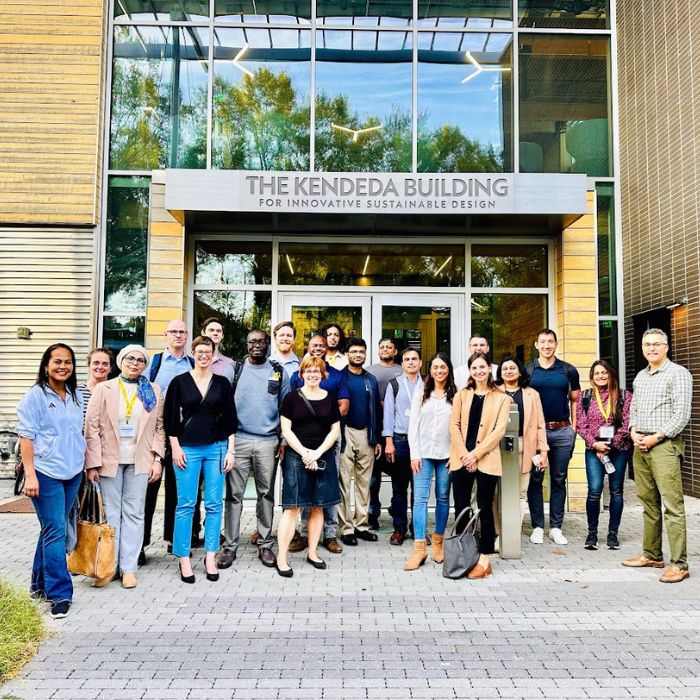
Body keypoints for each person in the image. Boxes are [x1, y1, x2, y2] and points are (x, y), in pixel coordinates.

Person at [84, 345, 165, 589]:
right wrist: (92, 464)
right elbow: (92, 428)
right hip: (109, 461)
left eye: (140, 360)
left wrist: (157, 459)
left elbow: (160, 427)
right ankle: (109, 567)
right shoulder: (104, 388)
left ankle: (129, 567)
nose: (135, 363)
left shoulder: (153, 390)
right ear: (121, 361)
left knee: (135, 513)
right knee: (111, 514)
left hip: (140, 461)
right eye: (130, 358)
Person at [16, 344, 86, 619]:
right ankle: (60, 594)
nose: (63, 366)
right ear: (46, 365)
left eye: (68, 362)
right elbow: (26, 437)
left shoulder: (75, 394)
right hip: (46, 473)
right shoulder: (34, 397)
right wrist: (30, 475)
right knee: (56, 530)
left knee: (51, 529)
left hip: (72, 472)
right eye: (57, 361)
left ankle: (38, 585)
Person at [164, 336, 236, 584]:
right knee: (186, 504)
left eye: (208, 351)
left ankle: (210, 556)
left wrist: (230, 450)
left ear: (214, 354)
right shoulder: (179, 382)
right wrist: (175, 447)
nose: (204, 355)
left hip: (216, 448)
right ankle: (183, 557)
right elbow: (170, 418)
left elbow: (229, 419)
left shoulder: (222, 383)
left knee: (215, 504)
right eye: (199, 351)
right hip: (187, 449)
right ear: (192, 353)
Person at [622, 329, 692, 583]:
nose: (651, 349)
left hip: (664, 444)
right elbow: (635, 408)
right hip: (641, 444)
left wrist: (658, 436)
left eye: (656, 344)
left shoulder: (678, 374)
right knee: (648, 504)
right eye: (646, 345)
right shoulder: (641, 376)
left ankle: (680, 564)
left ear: (666, 347)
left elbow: (681, 414)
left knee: (672, 506)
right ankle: (652, 554)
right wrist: (632, 431)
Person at [219, 330, 290, 570]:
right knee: (234, 495)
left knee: (266, 493)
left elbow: (286, 408)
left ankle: (265, 543)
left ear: (267, 344)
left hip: (268, 441)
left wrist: (283, 440)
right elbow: (223, 405)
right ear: (247, 344)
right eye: (252, 342)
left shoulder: (278, 371)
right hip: (238, 439)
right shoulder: (235, 370)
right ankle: (230, 546)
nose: (257, 345)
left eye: (261, 341)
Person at [276, 356, 342, 577]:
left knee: (318, 506)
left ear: (323, 374)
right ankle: (282, 558)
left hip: (323, 456)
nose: (313, 374)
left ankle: (313, 552)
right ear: (302, 373)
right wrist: (305, 453)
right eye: (309, 370)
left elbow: (335, 430)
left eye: (317, 370)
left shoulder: (330, 398)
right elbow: (287, 430)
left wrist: (317, 453)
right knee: (293, 508)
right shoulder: (292, 398)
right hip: (297, 457)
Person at [448, 353, 511, 579]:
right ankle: (463, 556)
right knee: (462, 506)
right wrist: (465, 455)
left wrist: (475, 454)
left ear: (489, 369)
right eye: (474, 367)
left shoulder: (502, 398)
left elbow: (499, 431)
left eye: (482, 367)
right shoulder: (461, 396)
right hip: (460, 458)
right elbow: (454, 426)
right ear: (470, 370)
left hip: (486, 459)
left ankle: (484, 559)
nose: (479, 371)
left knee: (484, 507)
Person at [288, 335, 349, 554]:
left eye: (321, 346)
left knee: (328, 486)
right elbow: (293, 407)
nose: (318, 348)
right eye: (314, 345)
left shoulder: (337, 375)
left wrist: (324, 427)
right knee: (306, 487)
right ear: (308, 348)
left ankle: (330, 535)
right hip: (303, 441)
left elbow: (343, 406)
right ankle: (305, 534)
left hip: (329, 438)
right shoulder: (298, 375)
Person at [141, 319, 195, 564]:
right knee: (147, 490)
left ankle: (176, 540)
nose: (178, 335)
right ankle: (139, 545)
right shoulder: (154, 363)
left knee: (178, 489)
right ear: (165, 334)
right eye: (173, 331)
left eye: (182, 332)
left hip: (183, 434)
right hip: (154, 434)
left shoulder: (192, 363)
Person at [526, 328, 581, 546]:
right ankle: (538, 526)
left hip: (561, 432)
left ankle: (556, 527)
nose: (547, 345)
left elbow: (575, 399)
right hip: (536, 433)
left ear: (556, 344)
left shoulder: (568, 370)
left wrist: (574, 428)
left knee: (559, 479)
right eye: (543, 342)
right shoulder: (528, 370)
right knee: (536, 479)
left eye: (550, 341)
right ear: (536, 345)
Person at [404, 352, 456, 571]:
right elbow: (412, 426)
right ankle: (419, 549)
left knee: (443, 498)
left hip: (447, 455)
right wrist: (414, 454)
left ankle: (438, 543)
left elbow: (459, 427)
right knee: (420, 499)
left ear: (448, 370)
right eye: (435, 367)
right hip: (423, 454)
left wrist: (456, 454)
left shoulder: (456, 395)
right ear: (430, 369)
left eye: (443, 367)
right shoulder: (421, 394)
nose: (439, 371)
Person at [575, 360, 632, 551]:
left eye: (604, 373)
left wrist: (610, 446)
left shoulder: (625, 396)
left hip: (619, 449)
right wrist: (595, 445)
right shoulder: (585, 397)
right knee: (594, 490)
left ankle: (612, 534)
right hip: (594, 449)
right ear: (592, 377)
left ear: (611, 375)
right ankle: (592, 534)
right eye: (596, 373)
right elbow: (581, 425)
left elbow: (627, 425)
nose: (600, 376)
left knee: (616, 491)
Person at [338, 339, 382, 546]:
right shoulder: (339, 377)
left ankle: (361, 525)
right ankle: (346, 528)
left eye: (361, 352)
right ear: (347, 354)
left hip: (366, 434)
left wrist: (377, 438)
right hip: (345, 433)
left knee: (364, 483)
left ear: (365, 355)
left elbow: (377, 410)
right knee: (344, 483)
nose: (358, 355)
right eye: (354, 351)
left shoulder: (370, 379)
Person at [497, 357, 549, 529]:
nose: (509, 371)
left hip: (523, 447)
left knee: (520, 493)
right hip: (497, 448)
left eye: (512, 367)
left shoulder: (532, 395)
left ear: (520, 371)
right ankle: (499, 532)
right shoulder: (494, 393)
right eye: (505, 368)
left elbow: (540, 425)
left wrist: (543, 452)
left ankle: (512, 531)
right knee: (497, 492)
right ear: (500, 373)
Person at [383, 347, 423, 545]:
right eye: (406, 359)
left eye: (414, 359)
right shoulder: (395, 384)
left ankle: (418, 529)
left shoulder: (429, 384)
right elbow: (388, 414)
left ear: (421, 363)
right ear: (402, 363)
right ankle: (399, 528)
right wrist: (388, 441)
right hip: (400, 440)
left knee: (419, 488)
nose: (411, 362)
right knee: (399, 487)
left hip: (422, 442)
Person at [367, 337, 404, 529]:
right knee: (373, 476)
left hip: (396, 430)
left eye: (389, 347)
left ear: (395, 351)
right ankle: (373, 512)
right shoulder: (370, 371)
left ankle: (396, 508)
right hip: (375, 429)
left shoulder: (402, 370)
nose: (385, 349)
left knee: (398, 474)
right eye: (382, 347)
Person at [77, 348, 113, 422]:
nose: (100, 367)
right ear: (88, 365)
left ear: (110, 368)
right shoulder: (76, 391)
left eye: (105, 364)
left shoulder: (115, 391)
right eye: (96, 363)